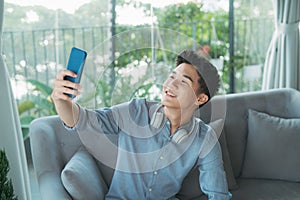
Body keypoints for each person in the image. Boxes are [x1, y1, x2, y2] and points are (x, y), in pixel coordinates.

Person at [51, 49, 231, 199]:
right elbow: (82, 120)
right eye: (172, 76)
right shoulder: (136, 111)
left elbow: (218, 193)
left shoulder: (204, 138)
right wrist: (61, 101)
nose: (170, 84)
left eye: (183, 81)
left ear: (200, 98)